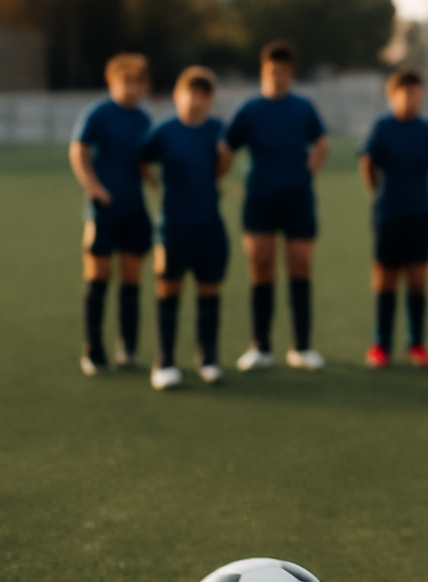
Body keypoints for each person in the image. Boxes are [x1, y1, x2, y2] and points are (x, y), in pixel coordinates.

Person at [220, 40, 329, 371]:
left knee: (299, 264)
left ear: (291, 74)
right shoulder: (249, 109)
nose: (276, 77)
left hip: (297, 199)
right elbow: (226, 146)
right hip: (259, 200)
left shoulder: (303, 107)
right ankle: (261, 347)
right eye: (270, 72)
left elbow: (321, 141)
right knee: (261, 265)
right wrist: (219, 178)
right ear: (262, 72)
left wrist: (310, 169)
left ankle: (302, 346)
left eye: (282, 72)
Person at [139, 67, 231, 389]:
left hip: (208, 224)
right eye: (189, 93)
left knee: (209, 291)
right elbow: (141, 158)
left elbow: (224, 163)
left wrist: (219, 175)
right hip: (173, 226)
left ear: (210, 100)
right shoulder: (164, 131)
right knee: (168, 289)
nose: (196, 101)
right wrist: (152, 182)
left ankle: (208, 359)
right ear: (177, 96)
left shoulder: (218, 130)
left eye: (203, 95)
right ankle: (165, 362)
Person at [359, 67, 428, 369]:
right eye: (405, 92)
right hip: (389, 213)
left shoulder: (427, 130)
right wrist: (377, 195)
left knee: (418, 280)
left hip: (421, 213)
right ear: (392, 95)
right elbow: (368, 163)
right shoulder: (382, 128)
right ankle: (380, 345)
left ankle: (417, 345)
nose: (411, 98)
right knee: (386, 281)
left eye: (416, 92)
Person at [69, 52, 153, 375]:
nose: (131, 88)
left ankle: (127, 348)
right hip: (104, 210)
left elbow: (144, 162)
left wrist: (158, 180)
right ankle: (94, 350)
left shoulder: (143, 120)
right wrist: (94, 187)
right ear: (112, 82)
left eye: (137, 82)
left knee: (132, 277)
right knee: (98, 276)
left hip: (134, 210)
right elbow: (79, 150)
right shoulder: (99, 114)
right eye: (126, 82)